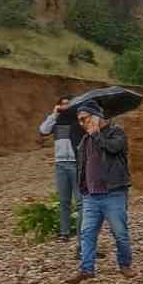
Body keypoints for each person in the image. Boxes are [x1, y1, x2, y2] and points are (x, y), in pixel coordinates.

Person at [69, 102, 135, 283]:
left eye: (85, 119)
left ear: (96, 116)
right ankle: (86, 269)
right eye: (79, 121)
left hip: (113, 193)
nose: (82, 123)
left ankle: (125, 265)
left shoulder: (117, 133)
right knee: (87, 233)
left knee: (120, 232)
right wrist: (82, 188)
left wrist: (97, 134)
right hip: (91, 195)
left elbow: (113, 148)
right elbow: (82, 166)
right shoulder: (85, 140)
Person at [38, 96, 84, 242]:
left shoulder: (78, 120)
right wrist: (54, 114)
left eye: (68, 104)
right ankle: (64, 233)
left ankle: (82, 234)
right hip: (60, 164)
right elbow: (43, 130)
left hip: (76, 163)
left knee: (80, 202)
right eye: (62, 104)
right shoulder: (56, 121)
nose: (65, 107)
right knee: (64, 201)